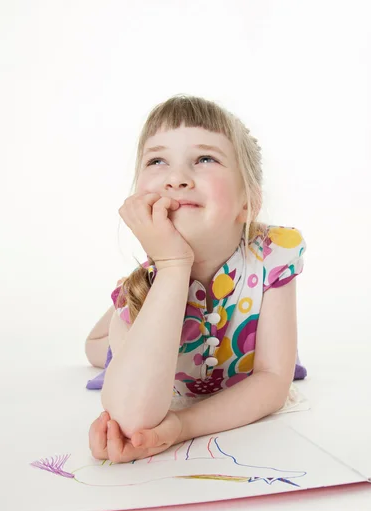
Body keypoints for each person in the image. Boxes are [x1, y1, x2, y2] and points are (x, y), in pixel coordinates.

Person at [85, 94, 307, 464]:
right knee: (95, 348)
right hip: (147, 329)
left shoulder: (273, 256)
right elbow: (132, 418)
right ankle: (114, 316)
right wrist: (172, 265)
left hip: (232, 350)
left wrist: (181, 426)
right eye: (157, 160)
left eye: (205, 159)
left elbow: (271, 382)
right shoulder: (148, 286)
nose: (176, 178)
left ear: (247, 203)